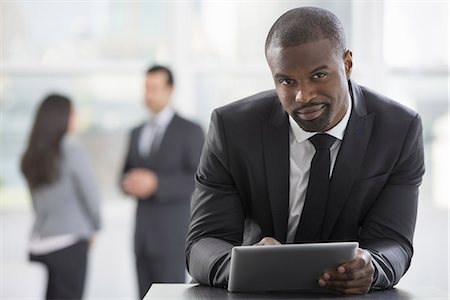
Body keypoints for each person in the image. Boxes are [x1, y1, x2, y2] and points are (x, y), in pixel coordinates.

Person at [186, 7, 425, 295]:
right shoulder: (232, 129)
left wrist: (372, 267)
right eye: (286, 81)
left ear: (347, 64)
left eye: (319, 75)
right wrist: (243, 265)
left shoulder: (398, 129)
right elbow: (203, 243)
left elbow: (394, 241)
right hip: (257, 293)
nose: (304, 96)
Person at [121, 65, 204, 298]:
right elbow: (124, 175)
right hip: (142, 236)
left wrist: (156, 184)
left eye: (154, 88)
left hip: (172, 236)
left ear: (170, 90)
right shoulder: (136, 132)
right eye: (146, 88)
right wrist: (128, 183)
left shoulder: (190, 130)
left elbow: (200, 181)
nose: (148, 95)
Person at [21, 94, 101, 299]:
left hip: (37, 246)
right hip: (69, 246)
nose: (76, 118)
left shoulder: (31, 155)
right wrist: (94, 227)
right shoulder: (72, 150)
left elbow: (37, 205)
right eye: (73, 113)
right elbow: (91, 196)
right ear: (62, 117)